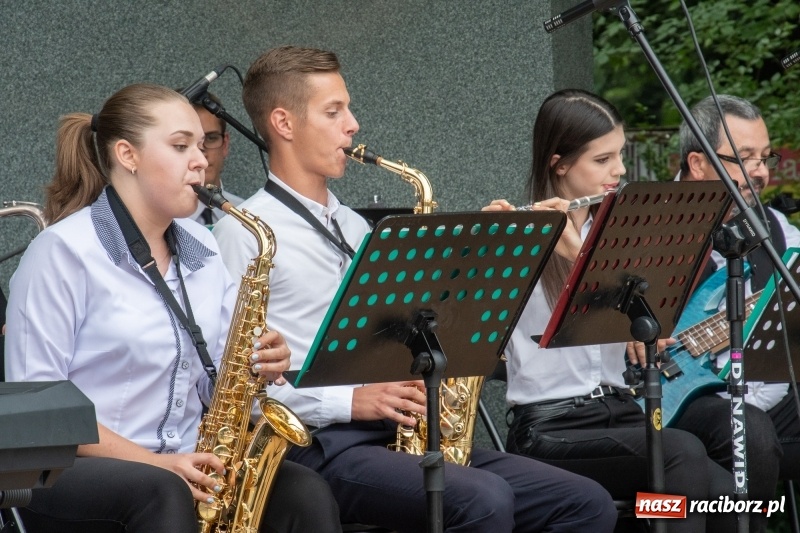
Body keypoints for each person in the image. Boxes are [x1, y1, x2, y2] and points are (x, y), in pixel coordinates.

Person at [213, 46, 618, 532]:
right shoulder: (244, 233)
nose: (353, 124)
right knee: (482, 500)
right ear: (283, 122)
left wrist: (485, 256)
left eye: (348, 108)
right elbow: (230, 386)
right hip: (319, 446)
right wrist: (351, 401)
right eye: (334, 110)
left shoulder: (356, 227)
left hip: (398, 434)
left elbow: (422, 327)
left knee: (584, 502)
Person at [4, 83, 341, 533]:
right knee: (163, 493)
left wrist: (260, 363)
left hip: (182, 459)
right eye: (181, 146)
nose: (201, 160)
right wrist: (156, 463)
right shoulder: (62, 252)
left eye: (202, 146)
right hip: (69, 470)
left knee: (304, 492)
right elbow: (42, 416)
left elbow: (219, 376)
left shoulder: (202, 245)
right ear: (128, 155)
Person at [484, 88, 738, 533]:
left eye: (619, 155)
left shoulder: (621, 233)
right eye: (602, 160)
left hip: (619, 412)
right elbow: (473, 325)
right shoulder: (518, 237)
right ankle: (650, 514)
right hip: (551, 428)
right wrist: (488, 251)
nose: (619, 170)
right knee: (681, 457)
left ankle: (648, 514)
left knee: (729, 497)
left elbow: (649, 326)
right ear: (559, 163)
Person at [672, 94, 800, 510]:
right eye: (745, 158)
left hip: (766, 392)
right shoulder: (648, 223)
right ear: (697, 164)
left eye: (765, 158)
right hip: (677, 397)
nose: (760, 172)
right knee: (751, 434)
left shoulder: (775, 228)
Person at [183, 91, 245, 227]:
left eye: (211, 138)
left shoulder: (247, 213)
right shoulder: (156, 224)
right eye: (185, 143)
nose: (201, 155)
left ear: (225, 144)